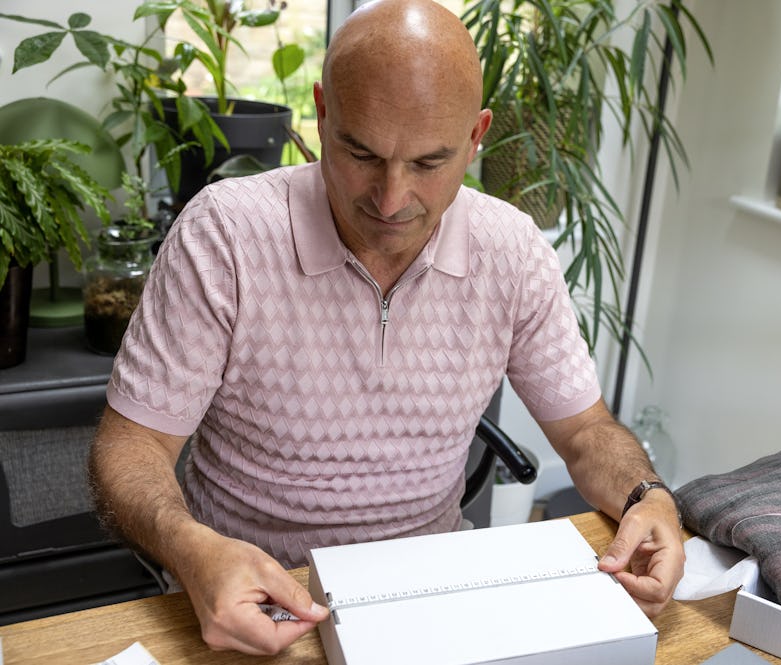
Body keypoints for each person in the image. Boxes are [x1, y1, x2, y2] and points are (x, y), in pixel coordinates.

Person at [88, 0, 684, 655]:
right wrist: (191, 545)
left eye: (429, 162)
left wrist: (647, 496)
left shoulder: (511, 252)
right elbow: (129, 446)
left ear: (477, 135)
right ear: (321, 112)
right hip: (248, 597)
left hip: (428, 594)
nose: (391, 198)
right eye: (361, 152)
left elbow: (586, 431)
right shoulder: (225, 237)